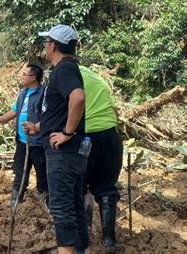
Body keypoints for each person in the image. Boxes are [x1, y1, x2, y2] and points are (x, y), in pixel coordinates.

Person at [38, 24, 88, 254]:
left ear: (54, 45)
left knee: (61, 207)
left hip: (63, 153)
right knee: (74, 204)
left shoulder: (64, 68)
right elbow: (60, 110)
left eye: (46, 42)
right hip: (73, 150)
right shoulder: (67, 68)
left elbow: (77, 98)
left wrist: (67, 133)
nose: (45, 46)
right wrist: (40, 126)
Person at [0, 64, 48, 208]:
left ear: (33, 78)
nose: (22, 77)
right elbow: (14, 112)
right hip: (22, 141)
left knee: (42, 174)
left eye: (24, 74)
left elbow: (49, 116)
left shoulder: (44, 94)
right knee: (20, 172)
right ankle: (16, 201)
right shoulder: (23, 93)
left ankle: (46, 203)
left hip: (37, 142)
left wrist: (36, 127)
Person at [79, 65, 123, 253]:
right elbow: (114, 111)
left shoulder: (68, 75)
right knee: (106, 188)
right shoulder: (98, 78)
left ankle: (84, 232)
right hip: (112, 137)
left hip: (87, 137)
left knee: (80, 185)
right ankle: (108, 240)